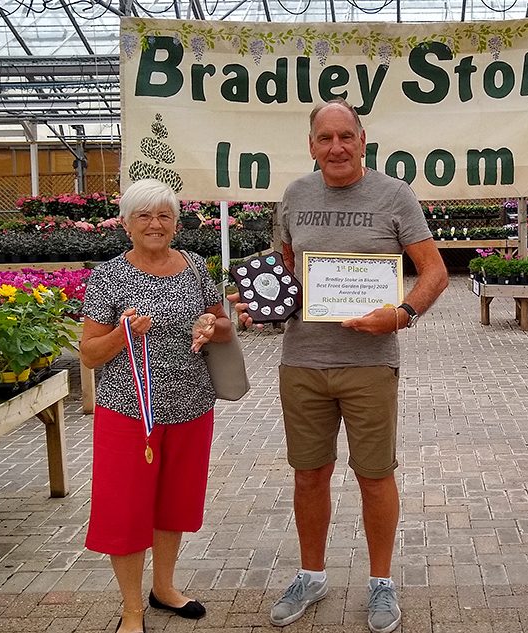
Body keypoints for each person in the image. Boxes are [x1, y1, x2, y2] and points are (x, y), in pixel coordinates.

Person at [230, 98, 447, 633]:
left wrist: (400, 315)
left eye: (345, 136)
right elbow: (282, 271)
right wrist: (259, 304)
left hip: (370, 364)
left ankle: (380, 584)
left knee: (375, 476)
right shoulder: (295, 195)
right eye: (325, 139)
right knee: (308, 475)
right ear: (311, 146)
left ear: (363, 139)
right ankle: (312, 574)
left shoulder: (395, 195)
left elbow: (435, 272)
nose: (336, 147)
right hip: (302, 360)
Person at [81, 178, 233, 633]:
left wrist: (213, 325)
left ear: (176, 223)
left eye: (164, 215)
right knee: (125, 510)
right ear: (126, 224)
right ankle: (131, 608)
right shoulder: (108, 275)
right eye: (144, 215)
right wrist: (123, 334)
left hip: (190, 407)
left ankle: (164, 588)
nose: (155, 223)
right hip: (128, 413)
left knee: (174, 504)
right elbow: (89, 353)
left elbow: (222, 325)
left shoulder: (193, 267)